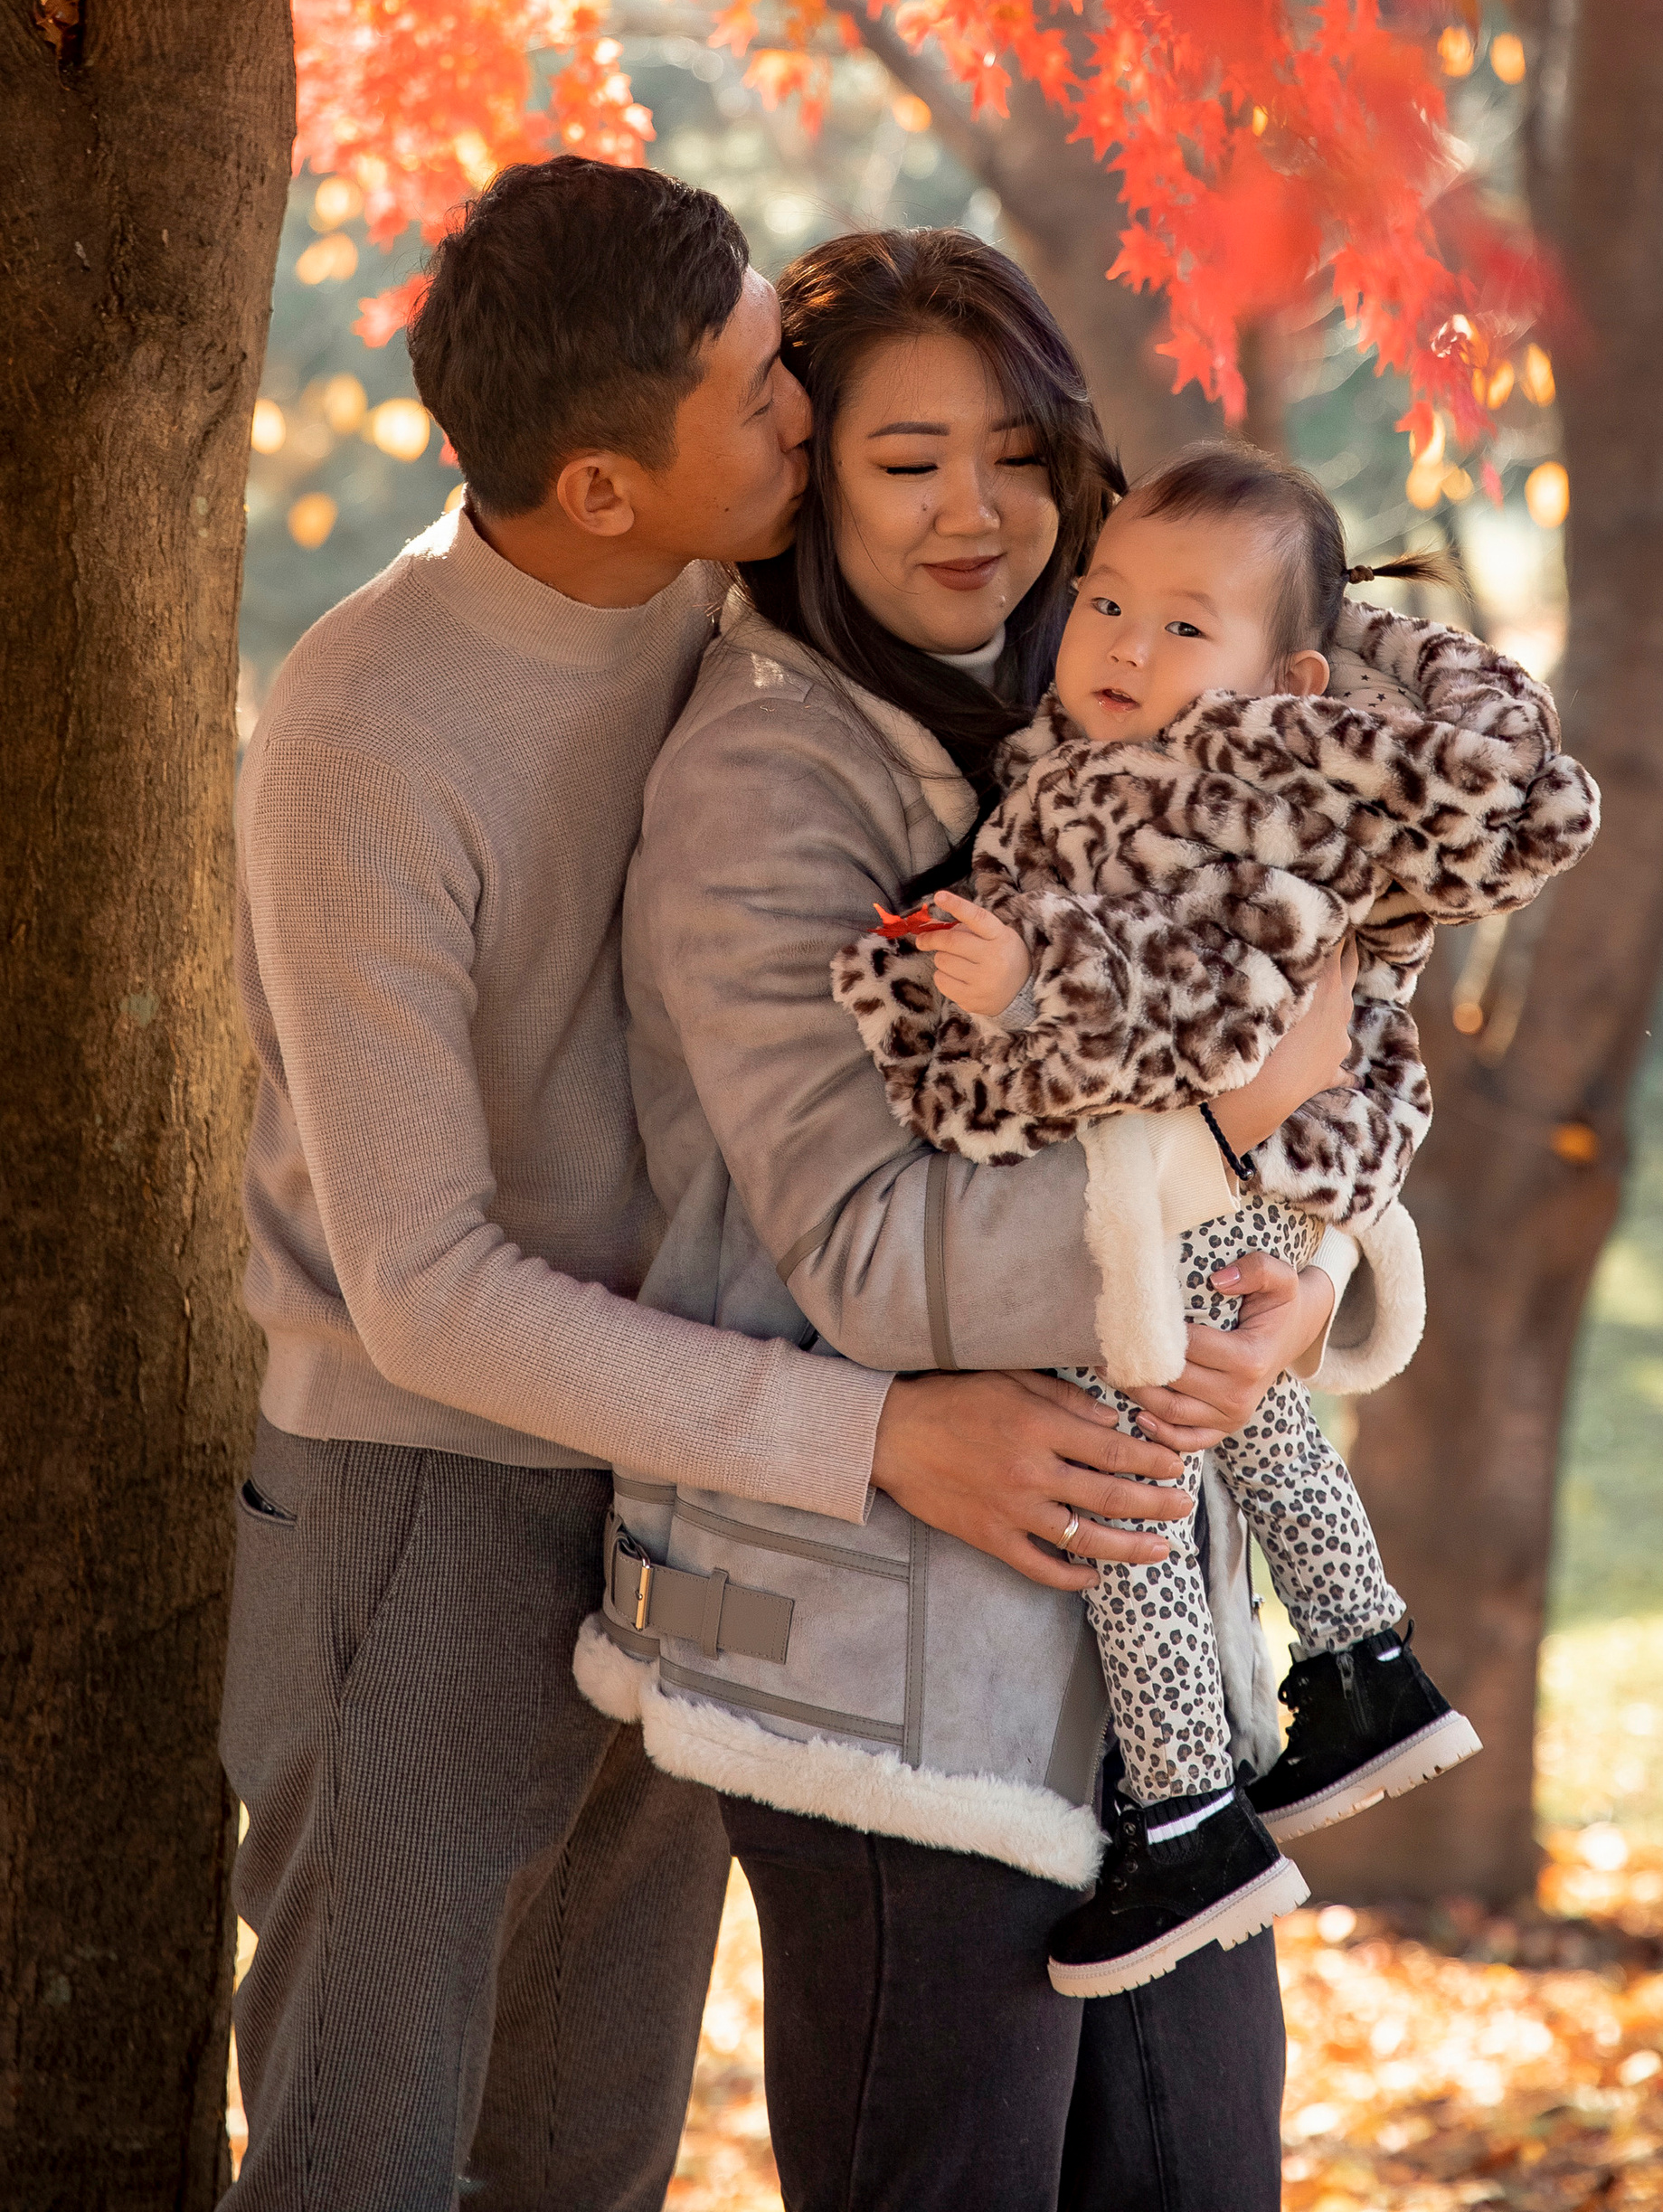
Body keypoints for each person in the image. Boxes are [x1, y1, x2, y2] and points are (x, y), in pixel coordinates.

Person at [220, 164, 1194, 2210]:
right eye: (765, 391)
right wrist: (873, 1440)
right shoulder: (363, 738)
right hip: (425, 1501)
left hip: (684, 1475)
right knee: (362, 2153)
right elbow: (424, 1287)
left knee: (587, 2159)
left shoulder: (723, 598)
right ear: (598, 487)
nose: (806, 416)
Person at [592, 229, 1397, 2212]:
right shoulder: (764, 787)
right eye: (907, 460)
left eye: (1020, 452)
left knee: (1198, 2174)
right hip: (892, 1663)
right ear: (806, 484)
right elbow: (865, 1254)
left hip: (1148, 1659)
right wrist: (1223, 1163)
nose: (982, 512)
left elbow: (1318, 1058)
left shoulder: (1115, 719)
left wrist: (1309, 1286)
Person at [836, 441, 1602, 1996]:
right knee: (1243, 1426)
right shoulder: (1127, 751)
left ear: (1287, 674)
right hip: (1201, 1188)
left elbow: (1228, 1001)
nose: (1123, 643)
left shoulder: (1246, 781)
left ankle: (1188, 1809)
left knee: (1128, 1476)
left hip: (1178, 1179)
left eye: (1186, 627)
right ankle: (1367, 1663)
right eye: (1108, 601)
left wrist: (1028, 982)